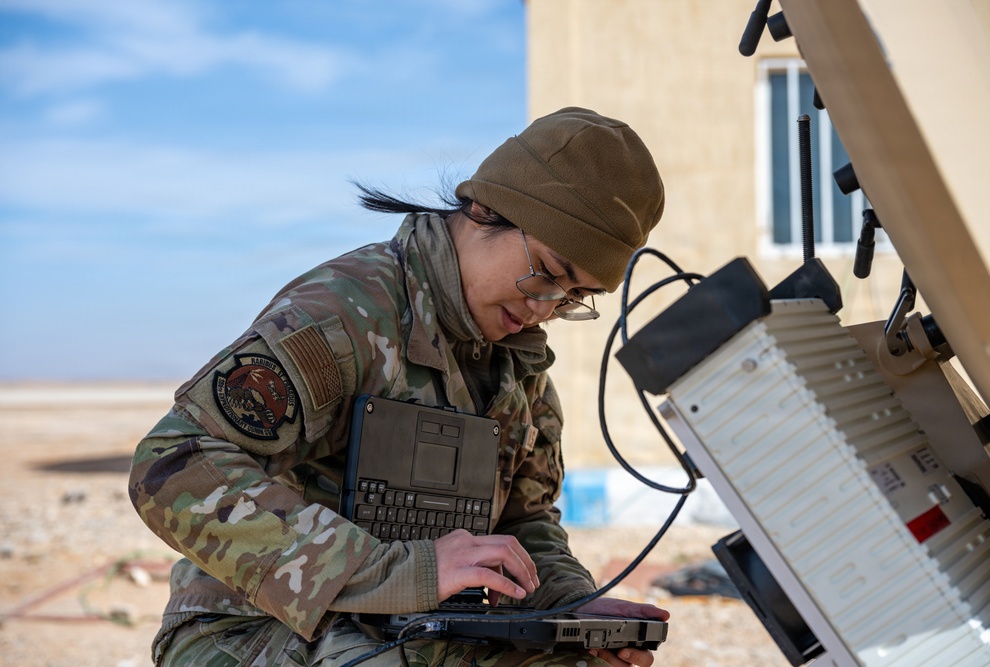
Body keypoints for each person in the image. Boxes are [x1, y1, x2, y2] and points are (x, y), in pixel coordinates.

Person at [129, 106, 669, 667]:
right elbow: (172, 464)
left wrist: (568, 606)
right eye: (548, 273)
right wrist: (403, 573)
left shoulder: (520, 367)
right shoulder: (344, 315)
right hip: (251, 626)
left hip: (424, 626)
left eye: (573, 297)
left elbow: (521, 522)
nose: (544, 309)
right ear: (487, 210)